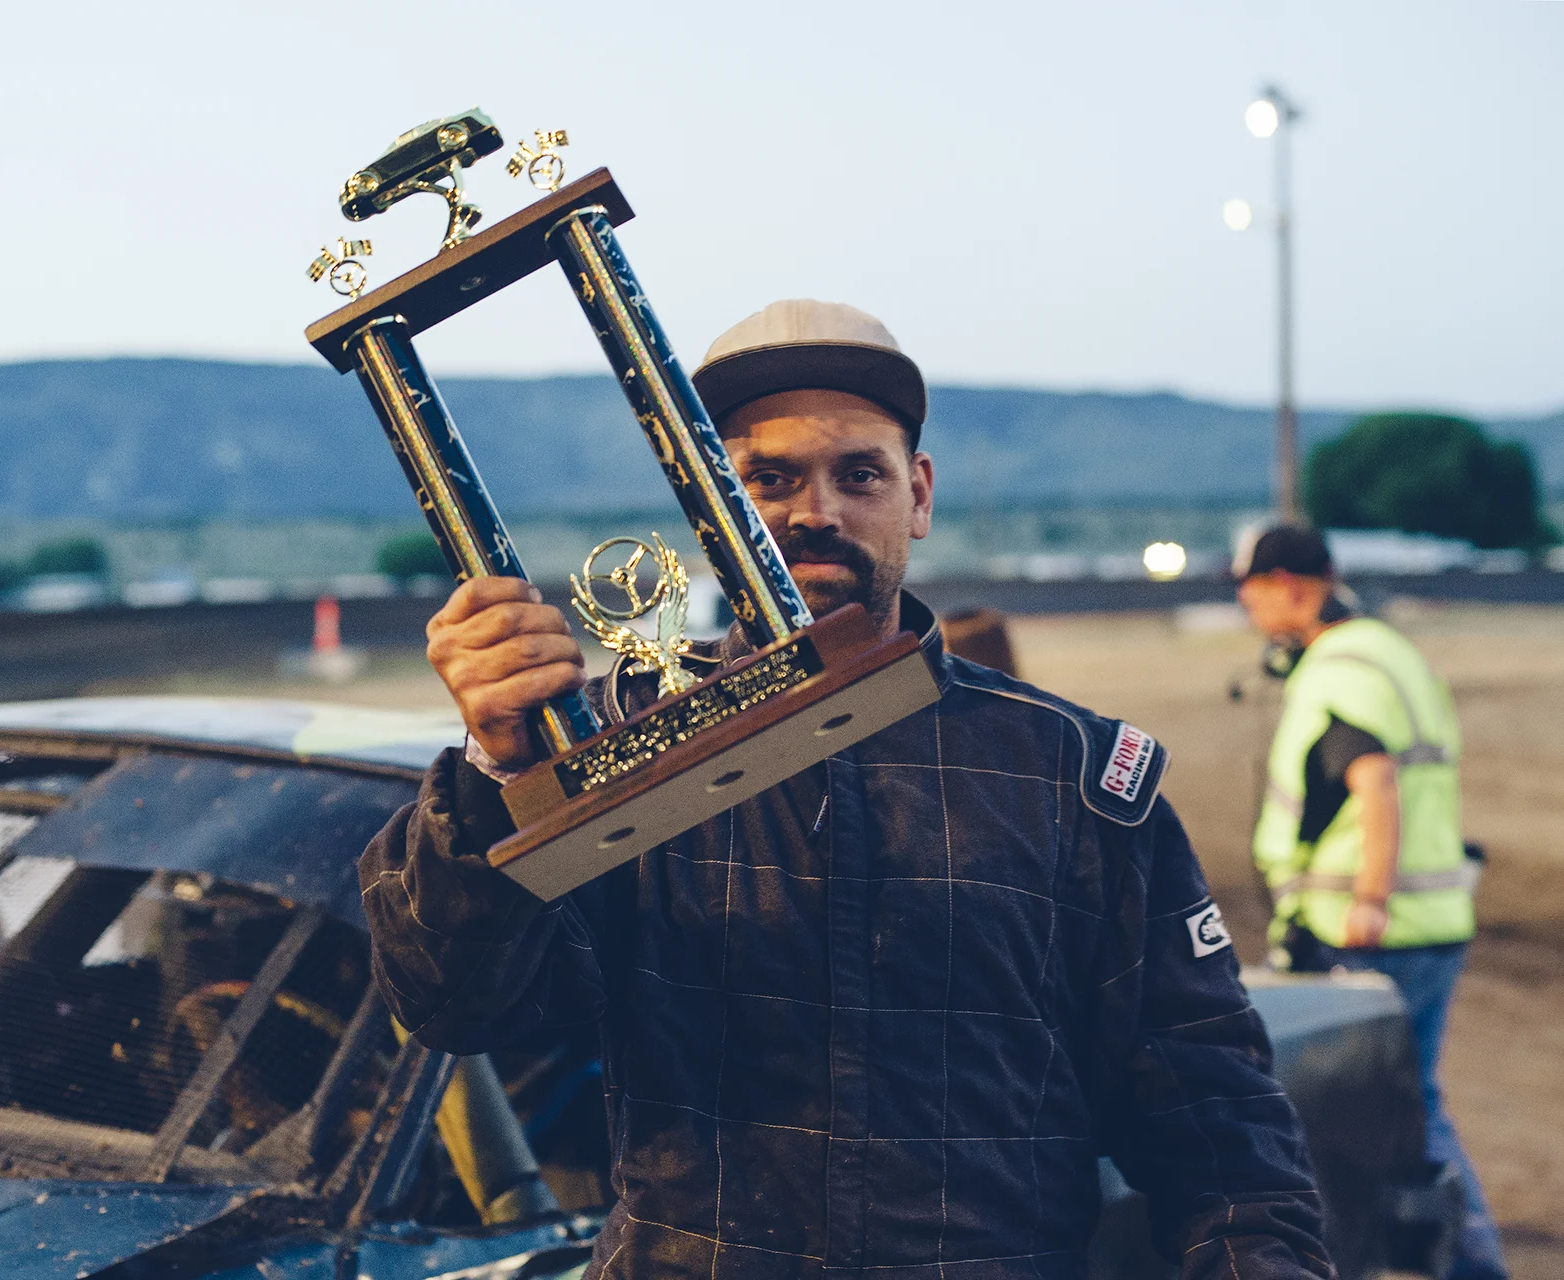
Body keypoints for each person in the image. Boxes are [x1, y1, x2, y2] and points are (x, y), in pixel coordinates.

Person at [364, 300, 1332, 1279]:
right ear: (704, 500)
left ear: (915, 494)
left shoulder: (1069, 774)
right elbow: (459, 1006)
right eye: (766, 477)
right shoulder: (614, 741)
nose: (812, 511)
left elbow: (1216, 1127)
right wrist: (494, 764)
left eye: (856, 474)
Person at [1235, 524, 1506, 1280]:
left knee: (1393, 1115)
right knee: (1408, 1105)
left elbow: (1374, 776)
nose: (1246, 606)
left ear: (1291, 585)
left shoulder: (1340, 668)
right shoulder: (1388, 651)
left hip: (1374, 929)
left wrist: (1369, 898)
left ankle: (1468, 1262)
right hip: (1431, 919)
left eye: (1250, 589)